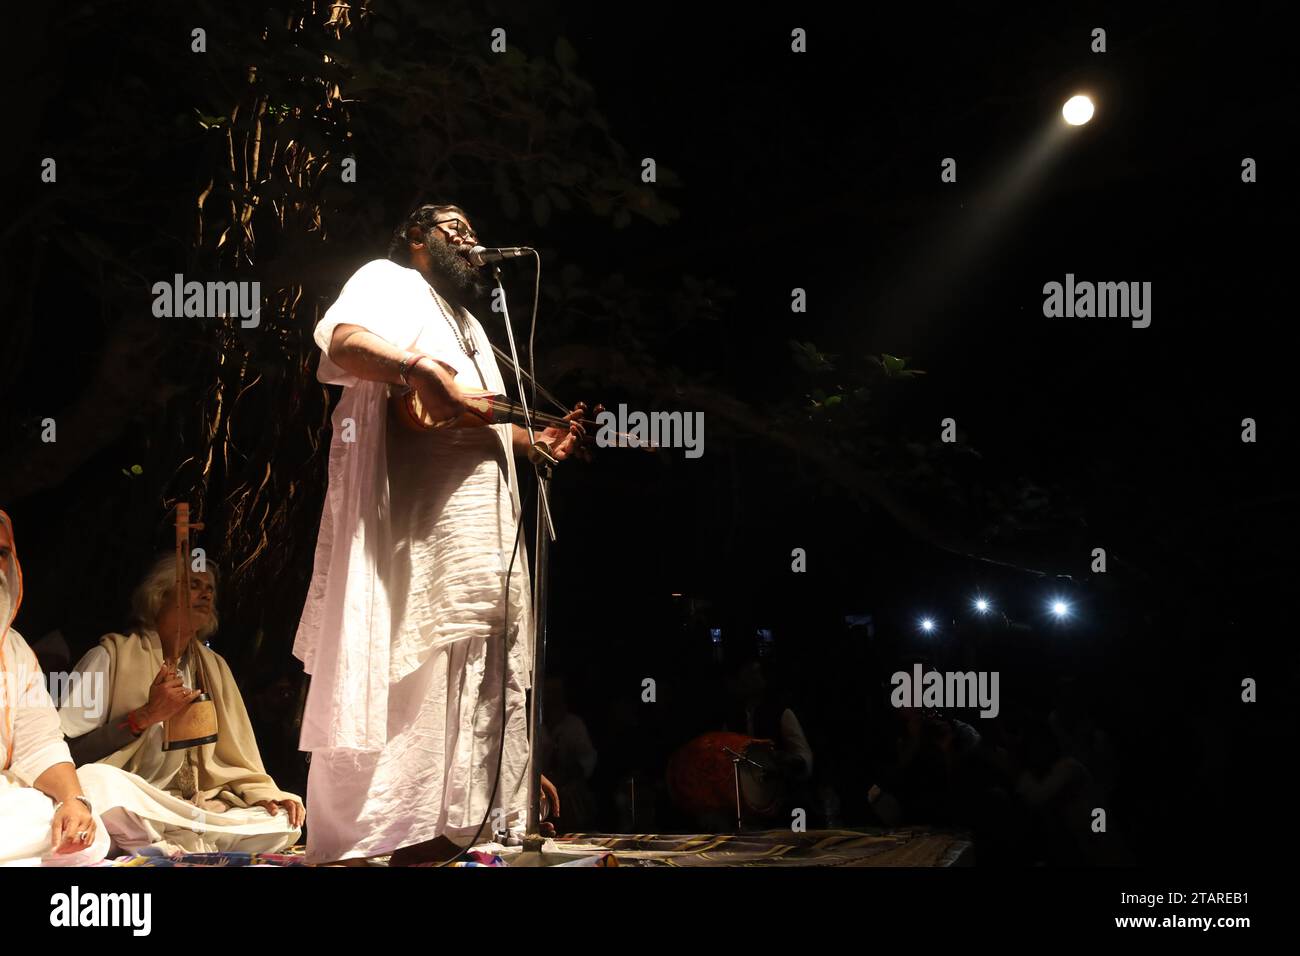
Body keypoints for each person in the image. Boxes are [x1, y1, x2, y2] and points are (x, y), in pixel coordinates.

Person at [294, 203, 581, 864]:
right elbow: (341, 341)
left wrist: (535, 440)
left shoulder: (475, 326)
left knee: (479, 670)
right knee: (413, 668)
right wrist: (411, 367)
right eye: (452, 227)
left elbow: (470, 416)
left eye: (474, 229)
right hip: (412, 537)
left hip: (480, 538)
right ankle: (386, 837)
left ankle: (460, 834)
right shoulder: (390, 280)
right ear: (415, 237)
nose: (470, 237)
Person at [59, 554, 303, 855]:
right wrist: (146, 715)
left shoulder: (215, 668)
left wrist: (262, 795)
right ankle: (169, 846)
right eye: (194, 585)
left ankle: (167, 848)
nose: (207, 593)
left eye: (210, 588)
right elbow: (68, 753)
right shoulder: (108, 658)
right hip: (142, 800)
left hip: (197, 808)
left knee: (283, 822)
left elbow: (238, 763)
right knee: (95, 781)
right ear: (160, 595)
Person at [0, 509, 109, 866]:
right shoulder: (114, 655)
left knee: (87, 830)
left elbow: (40, 743)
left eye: (1, 554)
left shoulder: (12, 647)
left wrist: (72, 803)